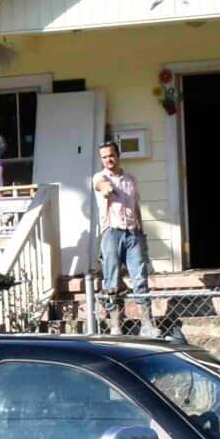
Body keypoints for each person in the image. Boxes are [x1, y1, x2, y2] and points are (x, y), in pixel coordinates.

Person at [92, 140, 152, 332]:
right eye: (104, 157)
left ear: (118, 155)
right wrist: (107, 187)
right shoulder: (99, 177)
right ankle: (115, 325)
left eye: (111, 155)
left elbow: (136, 207)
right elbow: (103, 187)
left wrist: (141, 233)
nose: (108, 160)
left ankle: (146, 323)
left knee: (140, 278)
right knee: (112, 279)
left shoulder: (130, 179)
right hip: (112, 232)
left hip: (133, 233)